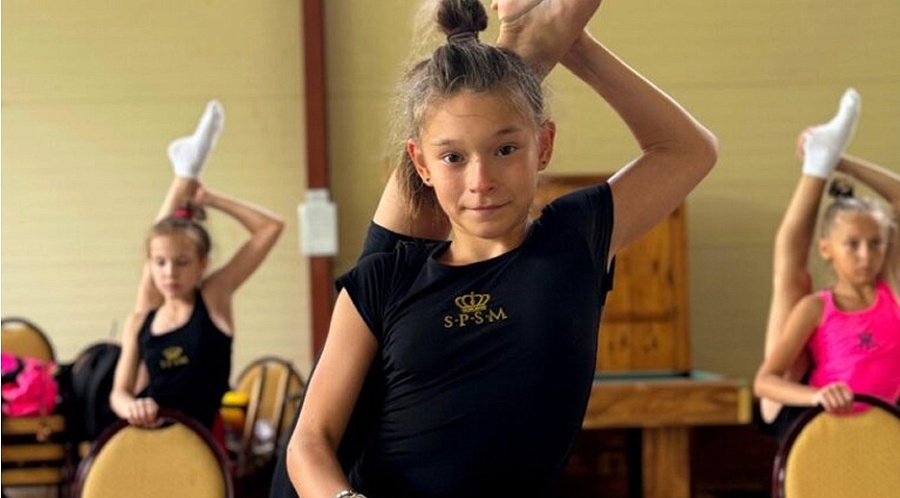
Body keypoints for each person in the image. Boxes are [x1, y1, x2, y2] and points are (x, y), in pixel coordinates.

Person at [285, 1, 717, 497]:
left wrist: (574, 43)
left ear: (544, 145)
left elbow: (689, 151)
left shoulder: (573, 240)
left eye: (505, 150)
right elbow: (309, 442)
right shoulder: (382, 279)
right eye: (453, 157)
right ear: (421, 165)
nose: (481, 181)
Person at [109, 100, 284, 431]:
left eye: (182, 263)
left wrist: (212, 199)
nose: (170, 273)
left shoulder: (213, 297)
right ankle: (185, 172)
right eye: (160, 264)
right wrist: (131, 405)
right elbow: (118, 393)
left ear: (202, 264)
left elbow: (270, 228)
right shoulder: (140, 321)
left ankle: (185, 174)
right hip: (151, 438)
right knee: (147, 294)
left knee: (149, 288)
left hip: (201, 442)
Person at [755, 89, 900, 431]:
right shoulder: (816, 307)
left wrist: (841, 160)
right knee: (792, 282)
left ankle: (822, 158)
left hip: (876, 425)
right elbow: (764, 380)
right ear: (826, 248)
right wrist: (817, 396)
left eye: (875, 244)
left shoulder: (892, 293)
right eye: (852, 245)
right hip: (809, 413)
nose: (866, 255)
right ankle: (816, 167)